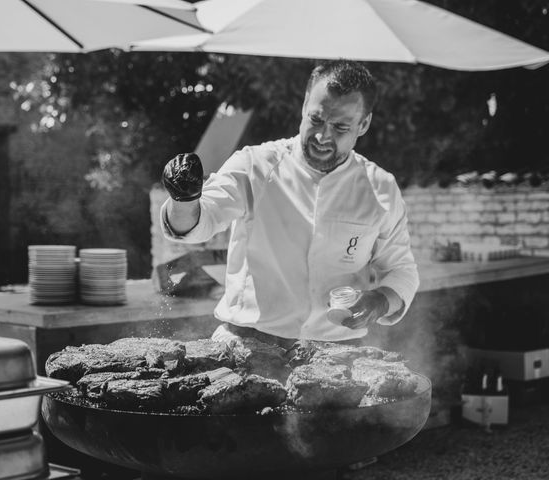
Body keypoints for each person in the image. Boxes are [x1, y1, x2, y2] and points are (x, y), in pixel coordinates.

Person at [160, 59, 419, 347]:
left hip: (339, 354)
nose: (323, 136)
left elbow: (401, 270)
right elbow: (199, 222)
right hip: (248, 344)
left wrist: (382, 300)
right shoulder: (255, 165)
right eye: (316, 120)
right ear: (305, 105)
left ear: (364, 124)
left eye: (340, 127)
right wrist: (183, 198)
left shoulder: (380, 187)